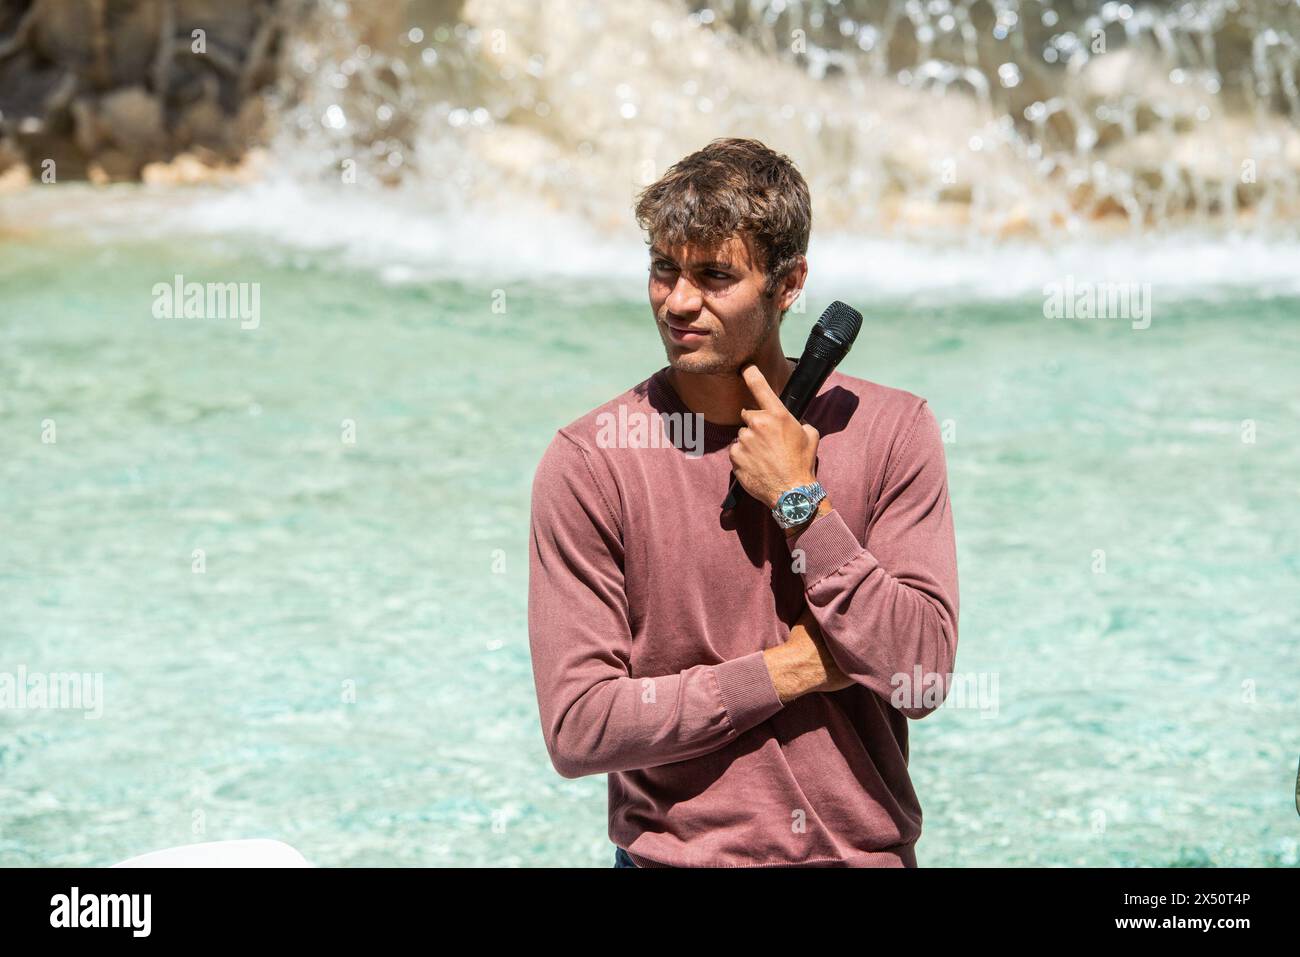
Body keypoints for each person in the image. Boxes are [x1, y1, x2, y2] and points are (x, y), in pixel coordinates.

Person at [527, 137, 959, 868]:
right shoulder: (590, 461)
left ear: (789, 284)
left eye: (714, 276)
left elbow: (920, 670)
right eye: (664, 269)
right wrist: (788, 670)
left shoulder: (892, 430)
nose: (679, 301)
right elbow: (579, 727)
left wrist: (800, 501)